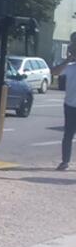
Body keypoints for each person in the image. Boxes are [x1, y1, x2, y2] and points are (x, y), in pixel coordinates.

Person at [50, 40, 76, 171]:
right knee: (68, 134)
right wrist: (68, 59)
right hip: (70, 105)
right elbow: (54, 72)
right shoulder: (70, 67)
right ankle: (65, 161)